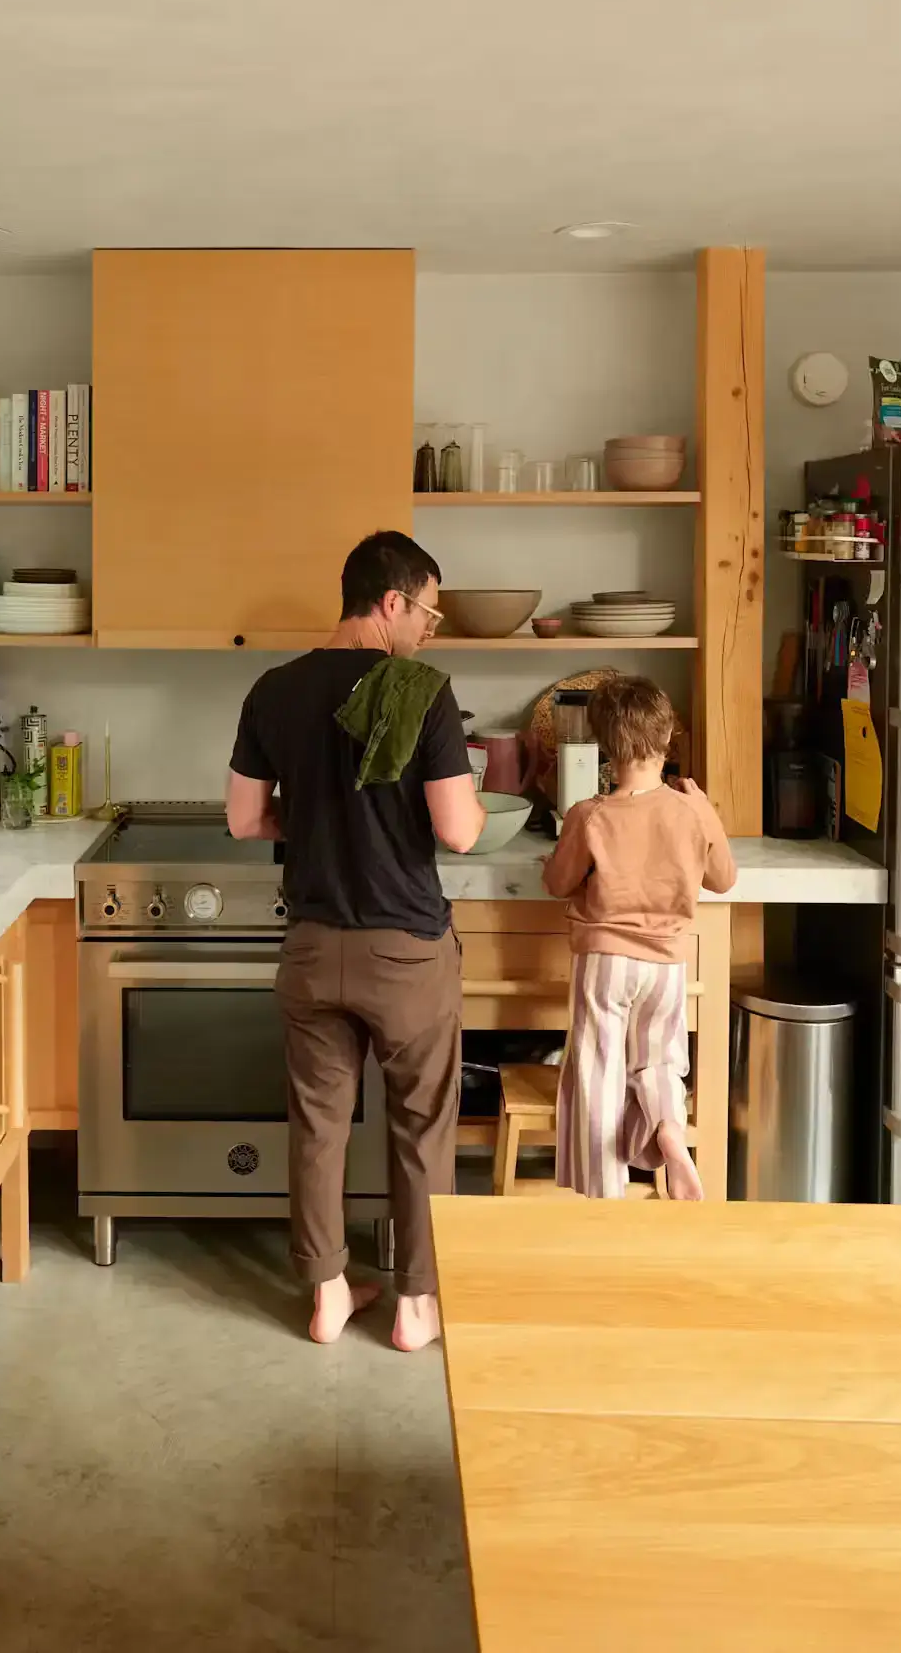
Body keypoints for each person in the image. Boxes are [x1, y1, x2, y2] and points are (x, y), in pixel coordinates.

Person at [226, 530, 484, 1352]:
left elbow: (244, 819)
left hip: (312, 944)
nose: (429, 631)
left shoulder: (273, 689)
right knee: (421, 1126)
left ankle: (329, 1293)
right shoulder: (421, 691)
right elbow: (460, 830)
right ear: (391, 601)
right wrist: (474, 807)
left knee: (319, 1125)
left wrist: (309, 820)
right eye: (428, 613)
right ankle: (416, 1304)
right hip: (404, 948)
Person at [541, 675, 736, 1201]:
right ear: (668, 735)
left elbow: (557, 882)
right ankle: (668, 1126)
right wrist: (705, 811)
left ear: (604, 745)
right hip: (666, 964)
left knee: (598, 1070)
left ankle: (604, 1196)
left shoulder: (590, 815)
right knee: (661, 1061)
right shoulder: (692, 809)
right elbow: (723, 879)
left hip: (605, 961)